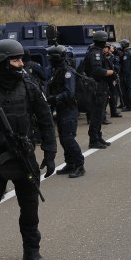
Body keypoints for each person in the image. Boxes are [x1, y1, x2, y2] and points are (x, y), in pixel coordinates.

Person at [0, 39, 57, 260]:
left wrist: (50, 153)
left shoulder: (29, 86)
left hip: (24, 156)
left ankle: (32, 251)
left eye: (21, 59)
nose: (20, 64)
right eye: (16, 59)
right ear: (2, 62)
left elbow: (46, 119)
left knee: (29, 209)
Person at [46, 45, 85, 178]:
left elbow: (70, 92)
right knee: (63, 139)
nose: (49, 60)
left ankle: (80, 165)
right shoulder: (56, 70)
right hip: (61, 109)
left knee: (68, 138)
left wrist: (54, 98)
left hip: (69, 109)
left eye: (51, 57)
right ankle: (70, 163)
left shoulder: (67, 72)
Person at [82, 31, 114, 149]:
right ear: (103, 41)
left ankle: (98, 137)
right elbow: (97, 71)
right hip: (97, 87)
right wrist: (111, 72)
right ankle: (93, 140)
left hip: (100, 87)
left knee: (100, 114)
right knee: (96, 115)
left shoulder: (97, 52)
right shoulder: (96, 53)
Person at [117, 39, 131, 111]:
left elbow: (126, 67)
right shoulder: (129, 52)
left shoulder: (127, 54)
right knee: (130, 91)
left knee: (128, 91)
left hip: (127, 75)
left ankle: (129, 107)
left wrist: (124, 76)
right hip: (130, 74)